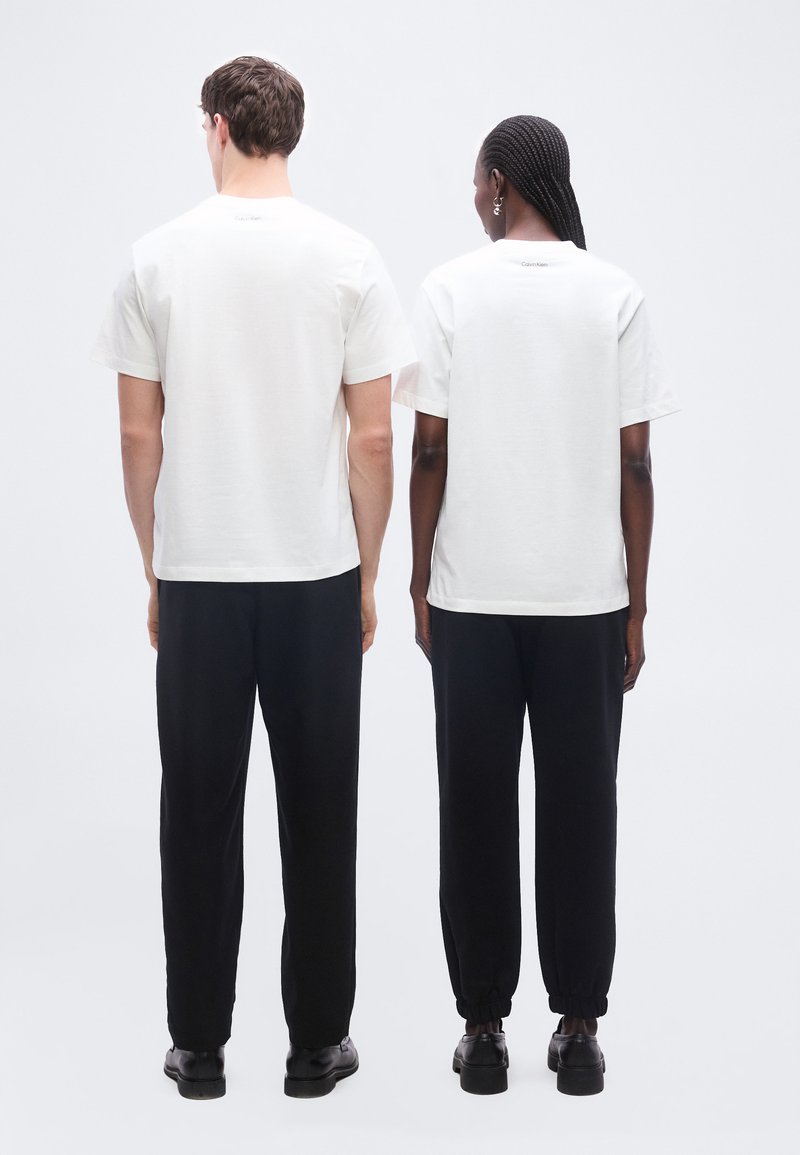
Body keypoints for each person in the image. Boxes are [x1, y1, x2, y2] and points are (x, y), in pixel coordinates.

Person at [90, 55, 415, 1100]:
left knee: (196, 812)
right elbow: (375, 441)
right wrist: (366, 573)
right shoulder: (350, 259)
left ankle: (198, 1049)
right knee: (320, 812)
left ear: (219, 127)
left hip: (199, 574)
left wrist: (156, 565)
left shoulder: (154, 260)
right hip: (315, 573)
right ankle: (317, 1048)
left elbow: (138, 436)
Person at [393, 114, 679, 1096]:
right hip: (585, 599)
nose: (474, 197)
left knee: (473, 807)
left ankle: (482, 1031)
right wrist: (636, 605)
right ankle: (578, 1029)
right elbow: (635, 463)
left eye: (478, 181)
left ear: (502, 183)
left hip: (472, 598)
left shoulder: (447, 290)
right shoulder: (615, 294)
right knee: (580, 808)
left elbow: (427, 447)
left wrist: (419, 578)